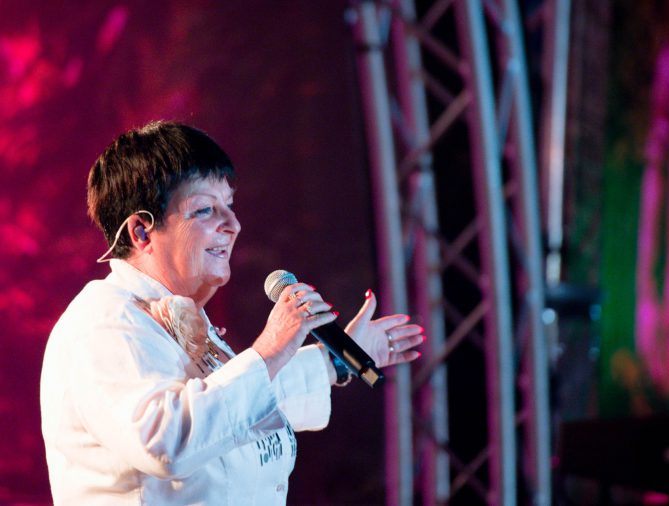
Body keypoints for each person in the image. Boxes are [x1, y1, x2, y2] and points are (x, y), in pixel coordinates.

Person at [39, 120, 424, 505]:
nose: (233, 225)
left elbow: (236, 407)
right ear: (141, 231)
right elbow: (166, 440)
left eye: (230, 206)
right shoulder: (103, 322)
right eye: (205, 209)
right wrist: (271, 346)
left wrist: (337, 360)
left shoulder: (183, 320)